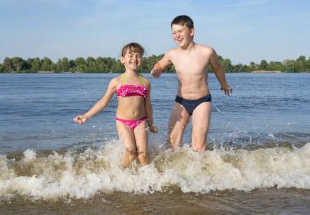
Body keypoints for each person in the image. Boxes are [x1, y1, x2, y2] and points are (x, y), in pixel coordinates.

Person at [151, 15, 232, 152]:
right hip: (181, 101)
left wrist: (224, 84)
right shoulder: (172, 54)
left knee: (198, 145)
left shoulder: (207, 52)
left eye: (180, 31)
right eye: (174, 33)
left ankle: (201, 171)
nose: (177, 35)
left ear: (191, 32)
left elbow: (218, 68)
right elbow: (160, 64)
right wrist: (156, 70)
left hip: (202, 101)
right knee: (171, 144)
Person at [74, 42, 158, 168]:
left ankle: (148, 178)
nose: (134, 58)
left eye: (138, 55)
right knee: (131, 153)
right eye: (130, 55)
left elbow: (148, 106)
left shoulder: (145, 82)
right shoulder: (117, 82)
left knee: (143, 155)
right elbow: (103, 102)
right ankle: (120, 174)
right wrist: (86, 116)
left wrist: (150, 124)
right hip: (123, 122)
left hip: (141, 121)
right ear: (122, 59)